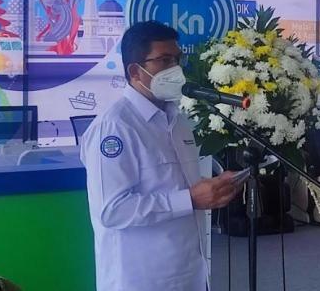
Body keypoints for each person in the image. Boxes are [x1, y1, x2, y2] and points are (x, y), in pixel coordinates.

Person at [81, 21, 239, 291]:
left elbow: (175, 184)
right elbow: (112, 210)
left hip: (189, 270)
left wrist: (213, 188)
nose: (175, 69)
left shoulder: (178, 118)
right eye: (165, 60)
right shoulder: (115, 127)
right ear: (135, 71)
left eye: (178, 59)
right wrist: (190, 199)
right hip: (142, 278)